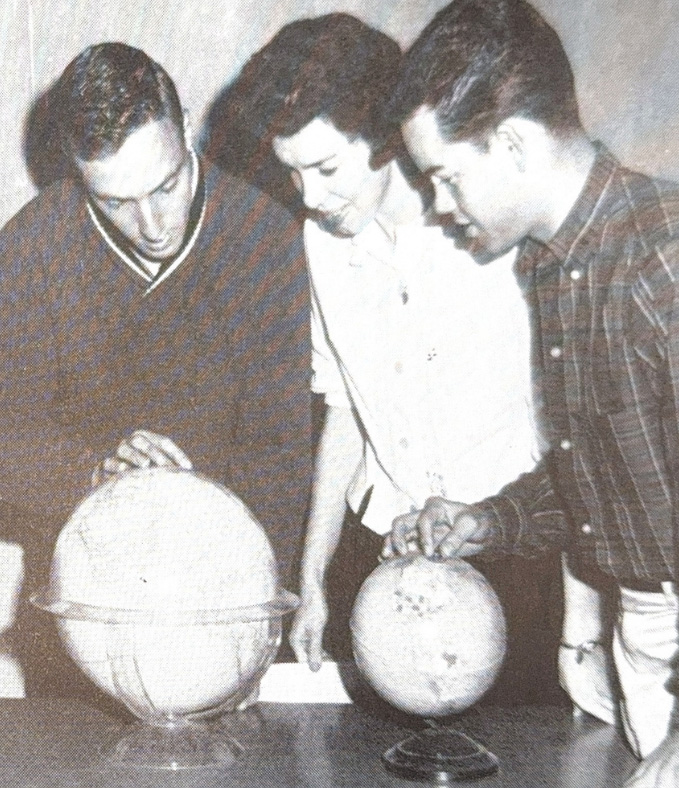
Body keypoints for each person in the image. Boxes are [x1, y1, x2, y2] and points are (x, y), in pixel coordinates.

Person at [383, 0, 679, 784]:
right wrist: (491, 521)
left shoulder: (667, 269)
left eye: (444, 177)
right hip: (646, 641)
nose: (439, 208)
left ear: (512, 142)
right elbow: (604, 467)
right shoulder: (548, 266)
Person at [229, 12, 564, 702]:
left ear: (386, 138)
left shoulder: (494, 227)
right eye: (293, 175)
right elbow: (344, 409)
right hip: (377, 553)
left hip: (514, 555)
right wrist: (316, 576)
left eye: (326, 168)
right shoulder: (323, 242)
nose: (310, 199)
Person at [0, 43, 311, 690]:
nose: (151, 225)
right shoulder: (32, 248)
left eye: (167, 185)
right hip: (84, 604)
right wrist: (93, 472)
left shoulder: (264, 239)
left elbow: (280, 454)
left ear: (183, 127)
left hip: (224, 594)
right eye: (116, 202)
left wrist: (251, 621)